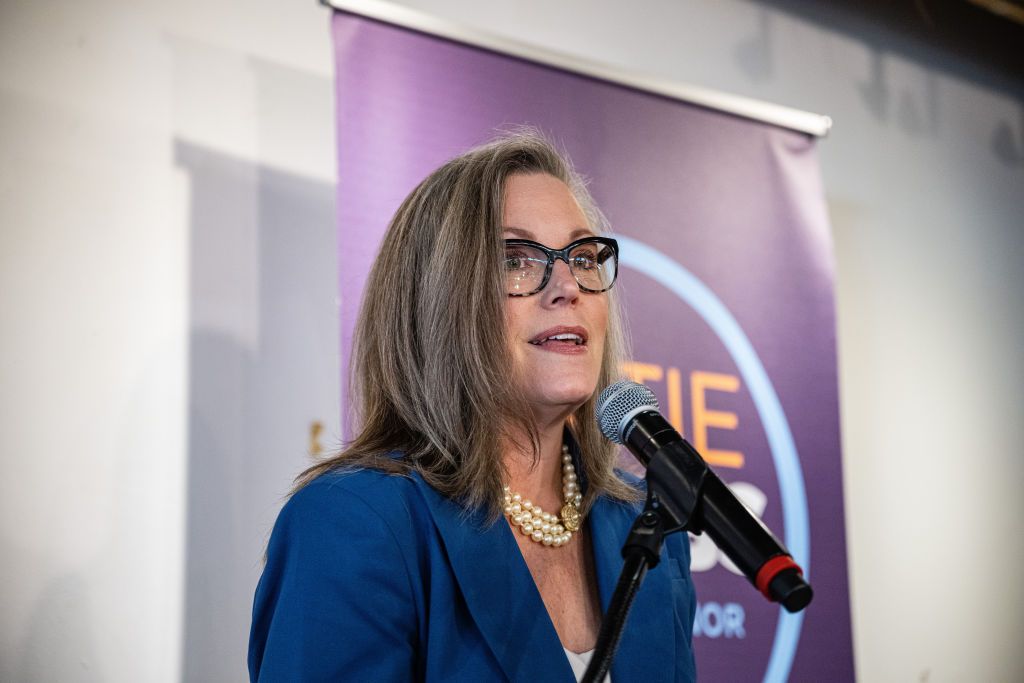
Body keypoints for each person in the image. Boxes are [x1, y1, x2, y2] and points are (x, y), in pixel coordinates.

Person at [248, 131, 697, 682]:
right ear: (438, 304)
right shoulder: (354, 523)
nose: (567, 287)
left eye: (582, 256)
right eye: (517, 260)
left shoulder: (650, 533)